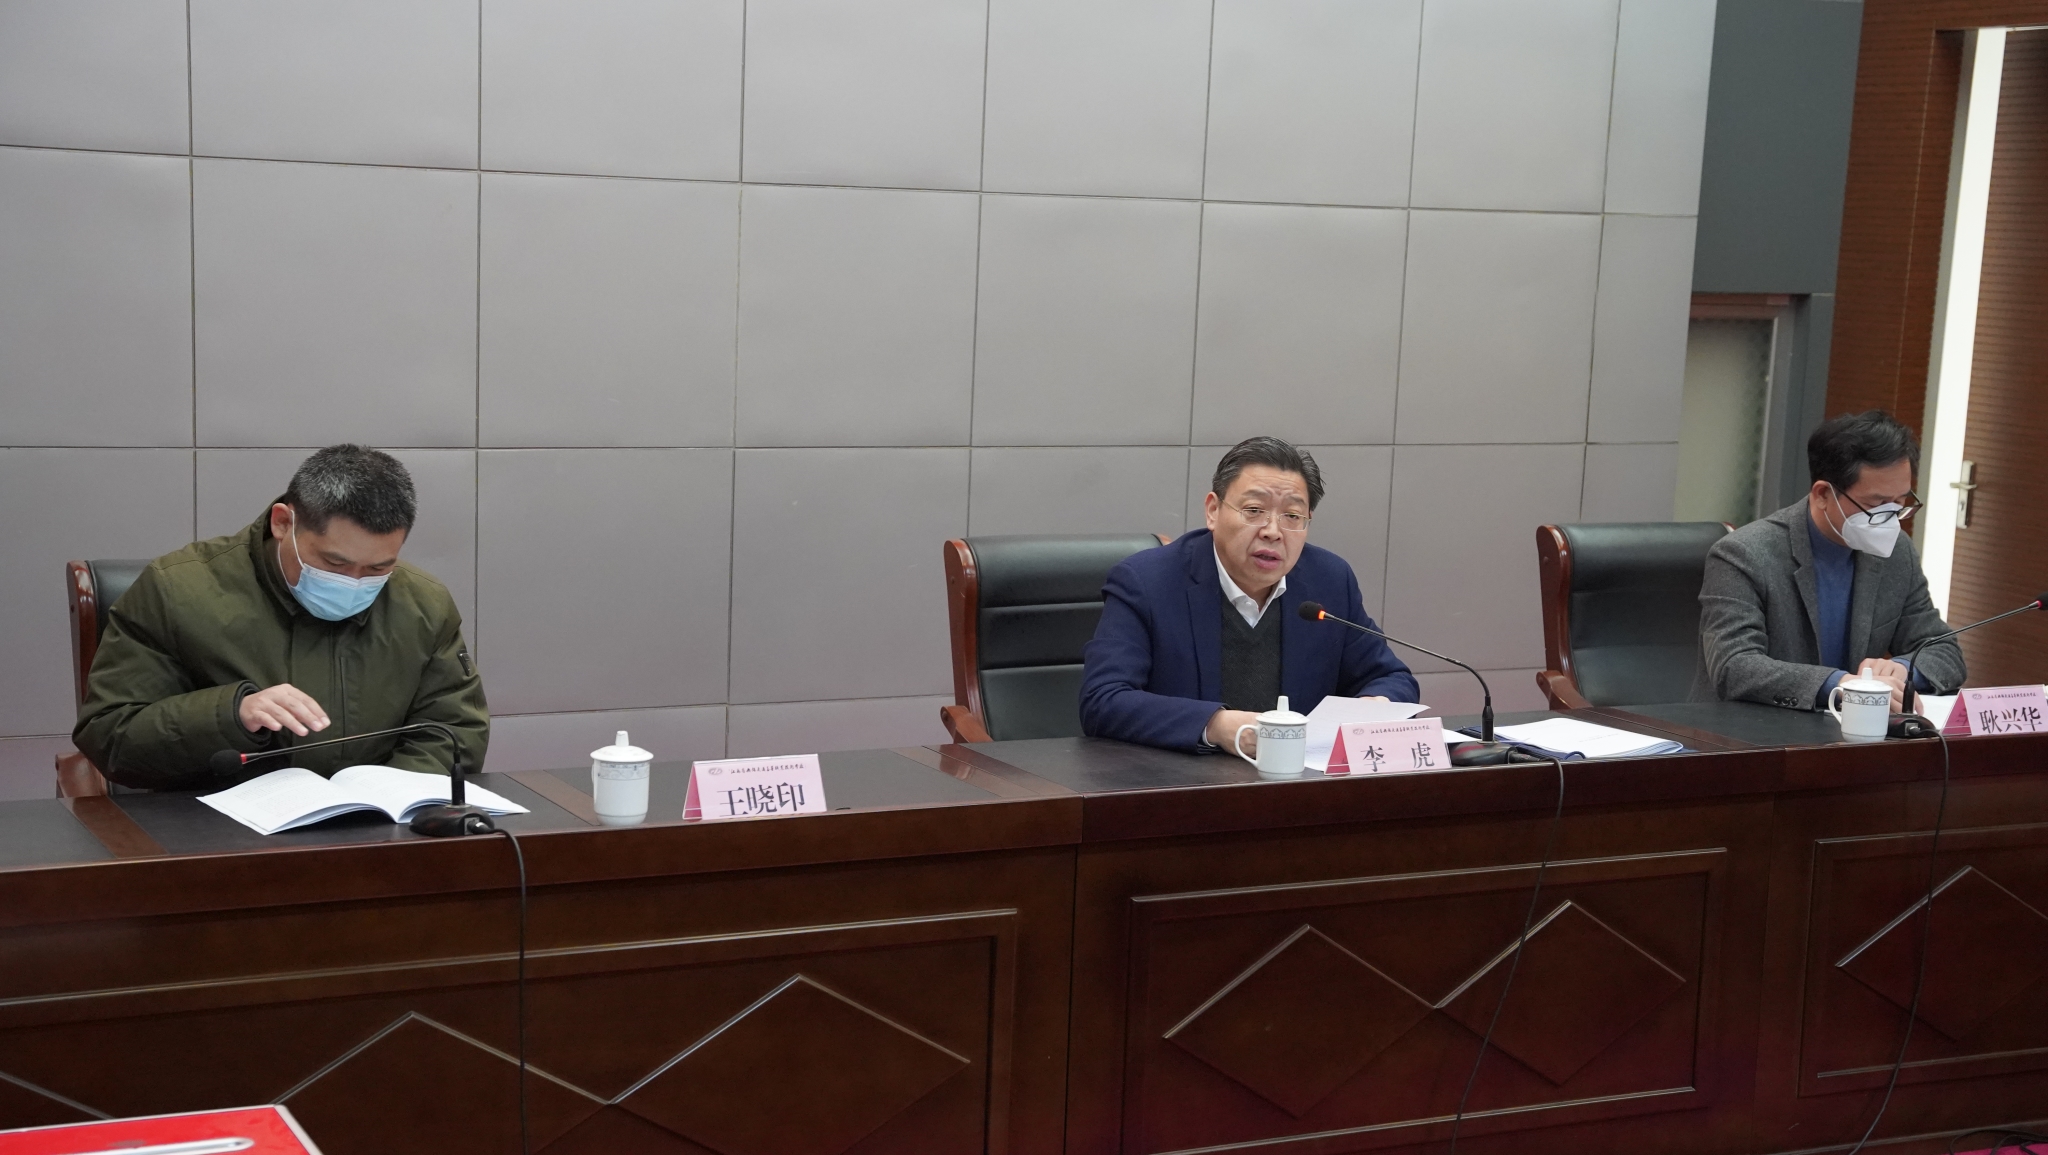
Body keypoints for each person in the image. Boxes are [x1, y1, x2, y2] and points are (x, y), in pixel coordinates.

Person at [75, 445, 489, 790]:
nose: (354, 582)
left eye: (378, 568)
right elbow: (111, 736)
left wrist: (386, 796)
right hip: (214, 836)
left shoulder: (423, 604)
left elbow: (454, 729)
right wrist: (232, 714)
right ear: (282, 522)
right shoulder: (176, 590)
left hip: (375, 833)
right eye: (334, 563)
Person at [1081, 436, 1418, 753]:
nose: (1272, 531)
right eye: (1254, 510)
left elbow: (1390, 677)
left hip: (1300, 782)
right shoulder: (1147, 582)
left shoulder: (1328, 580)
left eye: (1292, 516)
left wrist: (1372, 707)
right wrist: (1218, 726)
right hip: (1181, 783)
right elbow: (1103, 701)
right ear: (1213, 510)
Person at [1695, 410, 1964, 713]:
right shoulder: (1743, 555)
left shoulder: (1896, 552)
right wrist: (1840, 685)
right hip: (1752, 731)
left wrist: (1903, 668)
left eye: (1899, 502)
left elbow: (1945, 652)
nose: (1890, 519)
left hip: (1852, 731)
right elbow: (1734, 666)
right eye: (1876, 504)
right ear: (1823, 494)